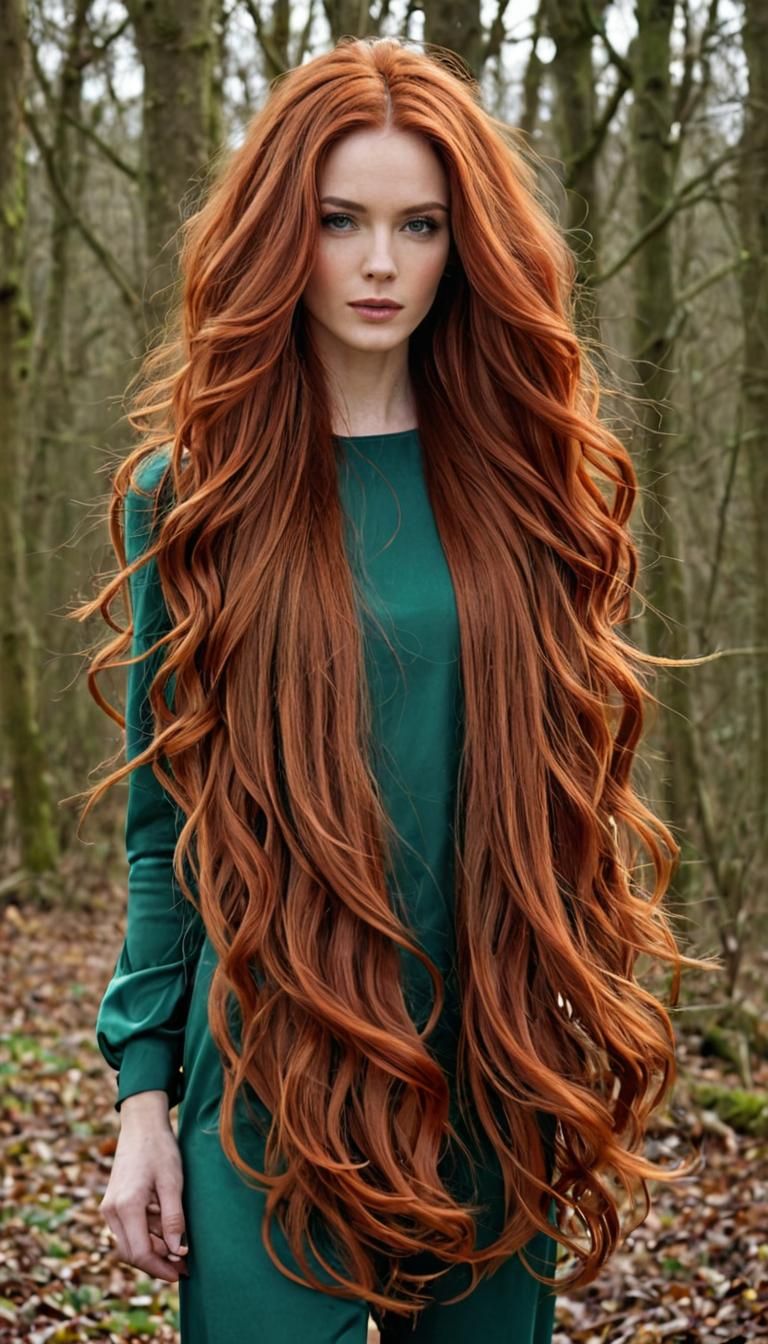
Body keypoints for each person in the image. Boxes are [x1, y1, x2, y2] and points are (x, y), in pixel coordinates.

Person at [75, 33, 710, 1344]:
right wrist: (143, 1099)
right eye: (340, 221)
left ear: (462, 242)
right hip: (265, 1072)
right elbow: (162, 837)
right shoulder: (187, 500)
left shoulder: (536, 490)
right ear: (280, 236)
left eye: (418, 225)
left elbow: (572, 786)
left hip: (489, 1062)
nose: (379, 264)